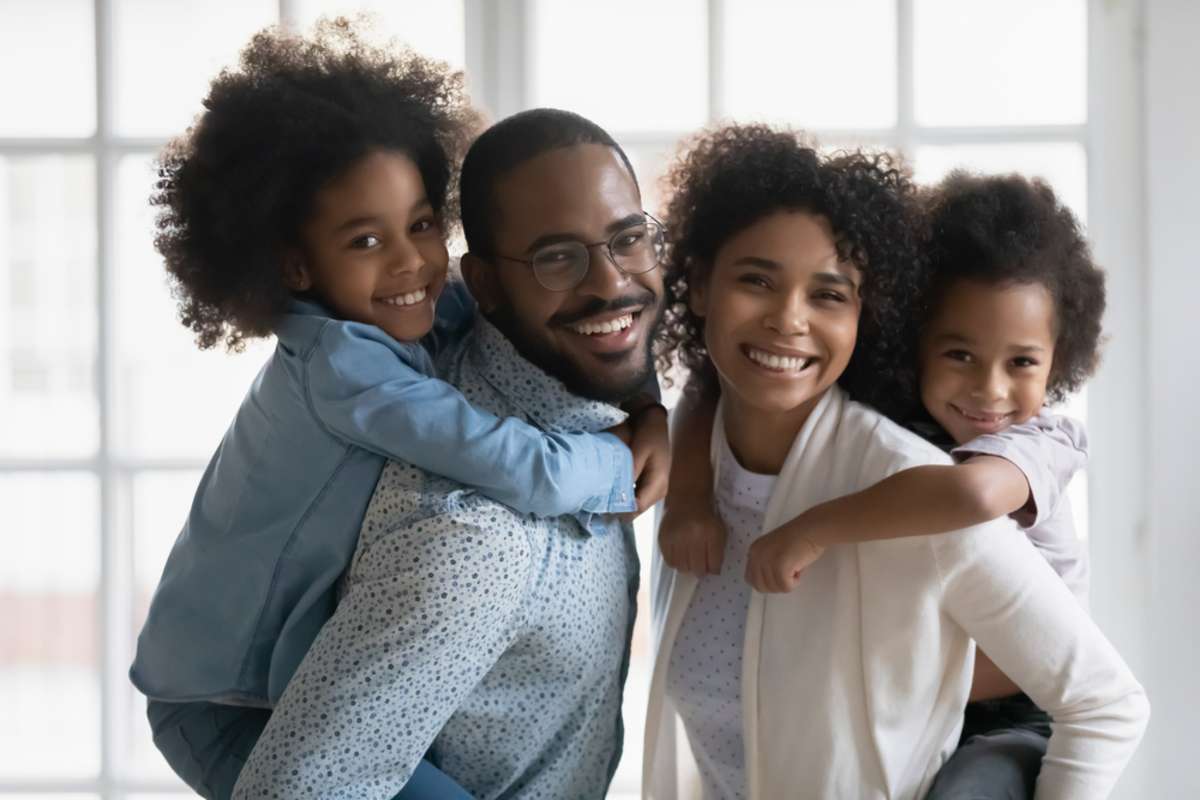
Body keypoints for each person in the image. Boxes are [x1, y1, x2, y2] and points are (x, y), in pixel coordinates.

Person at [129, 24, 665, 800]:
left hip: (270, 674)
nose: (411, 262)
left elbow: (589, 321)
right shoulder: (352, 374)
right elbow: (506, 461)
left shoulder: (413, 311)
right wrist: (621, 463)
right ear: (295, 264)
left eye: (420, 226)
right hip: (220, 700)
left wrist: (652, 407)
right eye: (365, 240)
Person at [644, 124, 1148, 799]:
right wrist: (687, 495)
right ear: (699, 286)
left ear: (863, 314)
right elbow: (706, 381)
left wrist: (813, 528)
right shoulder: (697, 457)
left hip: (1010, 721)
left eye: (828, 294)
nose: (789, 319)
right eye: (756, 280)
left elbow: (1105, 704)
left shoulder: (922, 490)